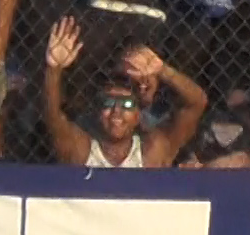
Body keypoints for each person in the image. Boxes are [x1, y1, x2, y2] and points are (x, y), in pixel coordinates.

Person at [42, 17, 208, 168]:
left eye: (127, 104)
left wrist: (163, 70)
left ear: (137, 115)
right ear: (98, 110)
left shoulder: (152, 152)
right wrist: (54, 69)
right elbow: (52, 115)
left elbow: (197, 103)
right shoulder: (82, 150)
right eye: (109, 103)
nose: (117, 111)